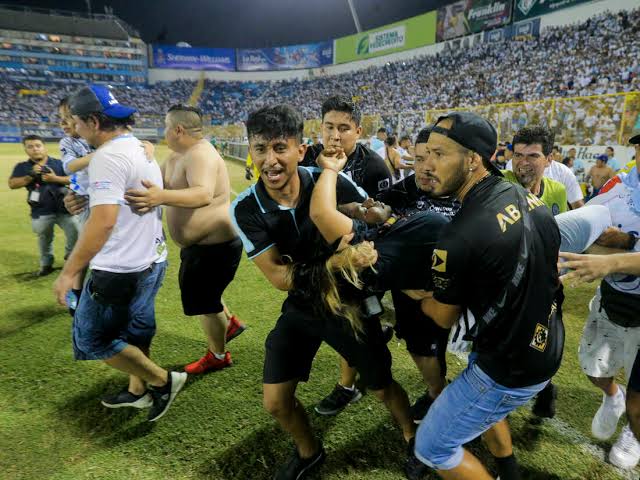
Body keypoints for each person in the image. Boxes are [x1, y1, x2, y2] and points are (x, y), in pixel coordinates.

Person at [230, 104, 416, 480]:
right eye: (261, 148)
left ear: (301, 150)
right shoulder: (246, 208)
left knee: (381, 386)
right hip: (301, 305)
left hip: (348, 304)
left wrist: (370, 216)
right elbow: (281, 279)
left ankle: (414, 437)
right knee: (275, 401)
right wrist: (335, 262)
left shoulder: (327, 180)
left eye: (280, 148)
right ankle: (309, 452)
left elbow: (375, 215)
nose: (270, 160)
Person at [409, 112, 564, 480]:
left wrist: (415, 292)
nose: (428, 165)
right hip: (546, 341)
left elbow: (444, 316)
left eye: (440, 154)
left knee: (431, 446)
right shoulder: (524, 196)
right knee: (486, 406)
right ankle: (508, 469)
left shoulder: (458, 236)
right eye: (426, 154)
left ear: (473, 160)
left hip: (509, 366)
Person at [52, 84, 186, 422]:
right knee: (135, 330)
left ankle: (163, 381)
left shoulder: (108, 156)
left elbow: (103, 222)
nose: (77, 130)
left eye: (78, 123)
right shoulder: (139, 149)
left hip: (121, 267)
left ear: (94, 122)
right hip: (152, 258)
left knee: (90, 338)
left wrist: (69, 272)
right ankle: (138, 392)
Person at [124, 104, 246, 375]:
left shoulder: (200, 155)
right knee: (207, 295)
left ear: (178, 129)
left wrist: (161, 197)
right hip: (202, 248)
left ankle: (218, 355)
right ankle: (230, 324)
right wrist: (147, 157)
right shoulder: (180, 154)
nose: (163, 133)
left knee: (206, 303)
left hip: (215, 248)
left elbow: (202, 194)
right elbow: (158, 180)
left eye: (166, 128)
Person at [302, 95, 392, 414]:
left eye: (343, 128)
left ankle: (347, 386)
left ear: (358, 129)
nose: (335, 136)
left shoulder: (375, 167)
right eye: (329, 127)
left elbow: (382, 220)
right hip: (319, 257)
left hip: (356, 259)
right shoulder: (309, 158)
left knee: (349, 319)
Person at [575, 135, 640, 469]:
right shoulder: (617, 187)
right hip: (614, 299)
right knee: (592, 367)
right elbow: (586, 237)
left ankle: (631, 427)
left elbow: (614, 250)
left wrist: (628, 242)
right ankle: (612, 397)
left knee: (639, 401)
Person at [9, 135, 79, 276]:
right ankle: (46, 264)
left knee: (75, 234)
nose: (35, 149)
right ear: (26, 150)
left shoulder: (59, 164)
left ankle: (70, 260)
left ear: (44, 147)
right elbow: (12, 184)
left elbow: (75, 180)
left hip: (65, 210)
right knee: (44, 239)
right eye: (30, 146)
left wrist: (55, 178)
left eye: (38, 145)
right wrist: (31, 175)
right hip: (41, 211)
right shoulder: (23, 167)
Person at [503, 126, 568, 216]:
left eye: (533, 156)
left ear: (548, 160)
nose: (524, 162)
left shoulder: (558, 191)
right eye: (518, 155)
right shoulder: (498, 181)